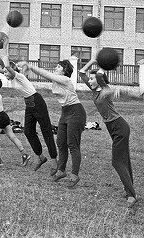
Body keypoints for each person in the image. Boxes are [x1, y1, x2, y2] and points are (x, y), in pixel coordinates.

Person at [78, 59, 136, 207]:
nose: (90, 81)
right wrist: (92, 60)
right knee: (124, 159)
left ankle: (131, 195)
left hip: (119, 126)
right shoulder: (94, 90)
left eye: (92, 79)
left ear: (99, 81)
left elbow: (98, 76)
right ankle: (129, 188)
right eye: (90, 79)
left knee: (117, 161)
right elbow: (81, 73)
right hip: (112, 127)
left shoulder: (105, 89)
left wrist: (103, 63)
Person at [21, 59, 86, 188]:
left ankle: (74, 175)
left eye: (58, 67)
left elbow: (47, 75)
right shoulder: (56, 80)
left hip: (76, 112)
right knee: (61, 142)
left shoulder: (66, 80)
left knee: (72, 144)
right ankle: (61, 171)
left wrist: (31, 67)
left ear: (64, 70)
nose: (55, 68)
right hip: (65, 112)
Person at [0, 51, 58, 174]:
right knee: (28, 131)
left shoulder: (19, 77)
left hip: (37, 101)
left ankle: (54, 161)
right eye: (4, 72)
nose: (4, 73)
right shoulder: (9, 77)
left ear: (13, 70)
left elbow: (8, 67)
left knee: (46, 130)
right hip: (29, 104)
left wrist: (5, 47)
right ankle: (41, 157)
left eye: (6, 72)